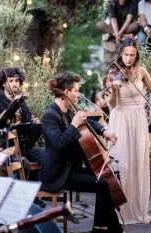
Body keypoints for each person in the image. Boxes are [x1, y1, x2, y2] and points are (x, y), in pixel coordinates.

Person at [39, 71, 122, 233]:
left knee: (105, 179)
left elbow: (88, 121)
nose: (78, 94)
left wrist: (105, 130)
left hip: (71, 168)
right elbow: (59, 143)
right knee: (103, 184)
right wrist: (73, 126)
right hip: (59, 173)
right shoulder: (50, 115)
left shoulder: (68, 111)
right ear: (66, 93)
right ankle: (109, 229)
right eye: (75, 91)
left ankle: (103, 227)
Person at [106, 38, 151, 224]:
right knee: (123, 165)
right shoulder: (113, 73)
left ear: (136, 55)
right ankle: (122, 211)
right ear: (120, 54)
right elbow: (112, 105)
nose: (129, 58)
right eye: (126, 55)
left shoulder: (141, 71)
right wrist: (114, 90)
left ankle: (140, 210)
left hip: (138, 119)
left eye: (132, 55)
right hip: (121, 118)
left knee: (139, 163)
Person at [0, 68, 43, 165]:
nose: (15, 84)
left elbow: (28, 124)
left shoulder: (22, 103)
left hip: (23, 146)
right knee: (23, 164)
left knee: (49, 156)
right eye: (11, 81)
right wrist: (6, 112)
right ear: (3, 83)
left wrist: (35, 123)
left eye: (17, 81)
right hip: (5, 146)